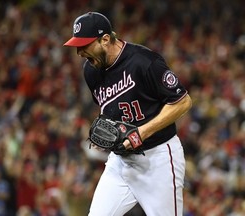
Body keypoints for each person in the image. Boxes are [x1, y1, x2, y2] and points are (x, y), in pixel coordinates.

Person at [63, 11, 192, 216]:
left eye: (84, 45)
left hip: (158, 160)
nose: (79, 52)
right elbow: (111, 111)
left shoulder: (144, 61)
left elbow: (182, 102)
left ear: (105, 39)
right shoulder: (91, 71)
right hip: (121, 162)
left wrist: (142, 132)